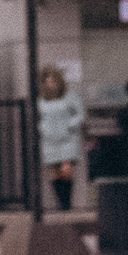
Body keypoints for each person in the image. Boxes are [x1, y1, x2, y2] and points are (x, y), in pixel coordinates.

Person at [37, 65, 83, 212]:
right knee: (56, 172)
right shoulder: (41, 100)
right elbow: (38, 118)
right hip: (50, 140)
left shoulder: (69, 97)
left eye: (53, 81)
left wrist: (70, 125)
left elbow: (80, 114)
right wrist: (43, 128)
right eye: (48, 82)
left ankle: (67, 203)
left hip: (67, 139)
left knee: (66, 169)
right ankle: (61, 204)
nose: (51, 84)